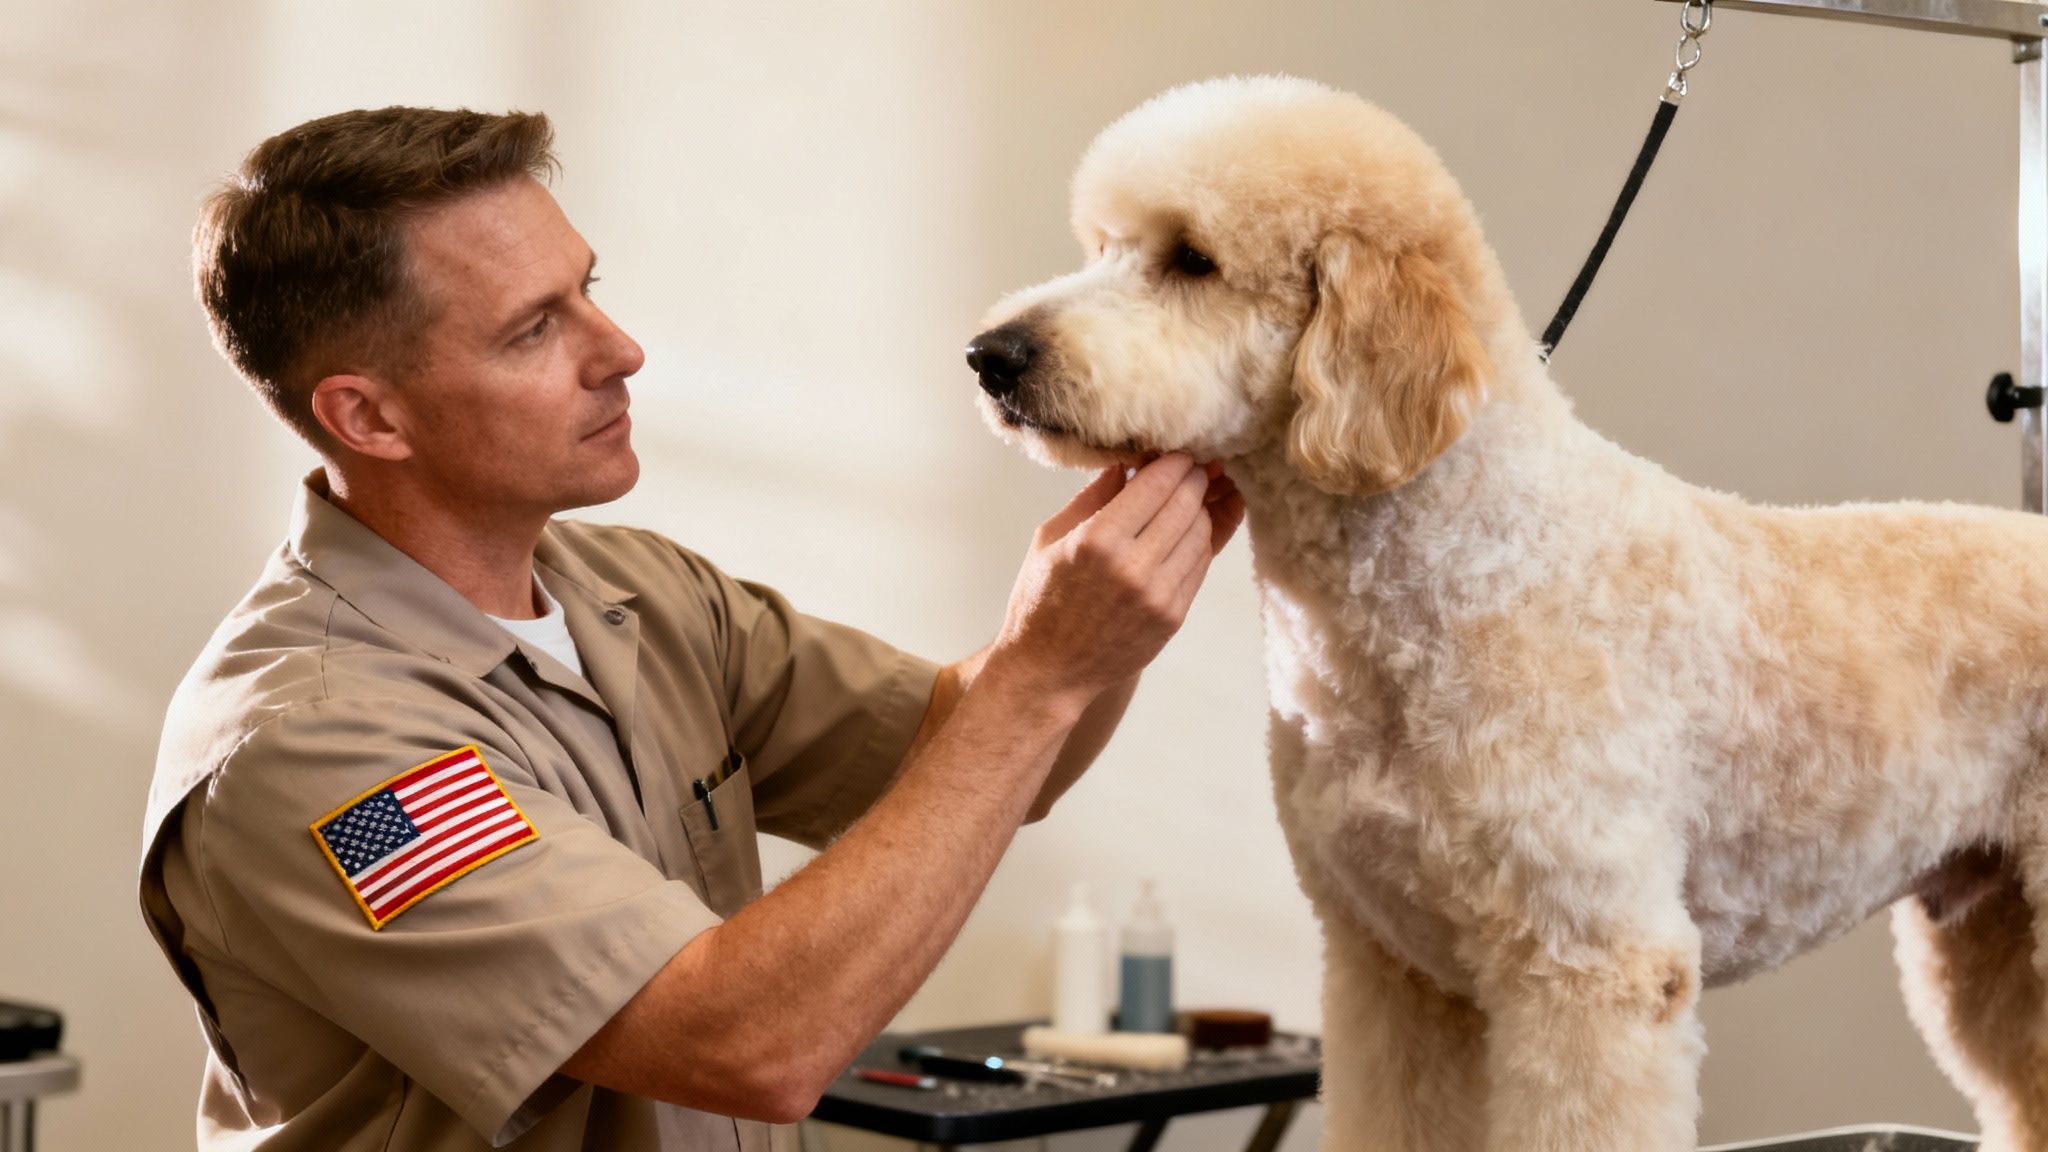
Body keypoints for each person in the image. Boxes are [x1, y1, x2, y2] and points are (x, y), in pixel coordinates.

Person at [137, 106, 1243, 1151]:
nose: (620, 349)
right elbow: (747, 1048)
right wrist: (1040, 675)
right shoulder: (318, 750)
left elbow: (982, 761)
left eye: (587, 290)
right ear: (367, 416)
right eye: (532, 330)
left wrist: (1114, 578)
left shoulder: (637, 595)